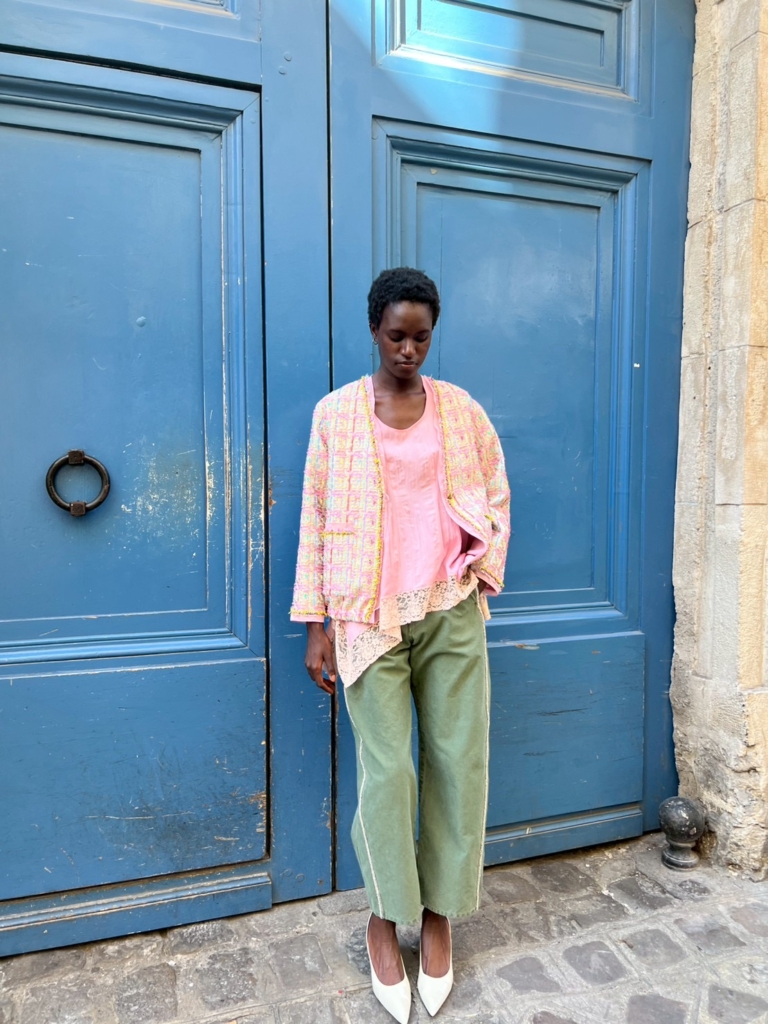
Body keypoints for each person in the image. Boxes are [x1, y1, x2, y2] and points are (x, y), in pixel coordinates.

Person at [291, 267, 510, 1022]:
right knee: (387, 772)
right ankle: (386, 918)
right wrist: (315, 623)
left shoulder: (461, 410)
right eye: (396, 336)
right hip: (367, 617)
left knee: (457, 760)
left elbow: (495, 487)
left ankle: (440, 913)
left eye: (421, 337)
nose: (408, 350)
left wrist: (480, 565)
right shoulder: (335, 415)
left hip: (447, 608)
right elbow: (316, 516)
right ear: (374, 330)